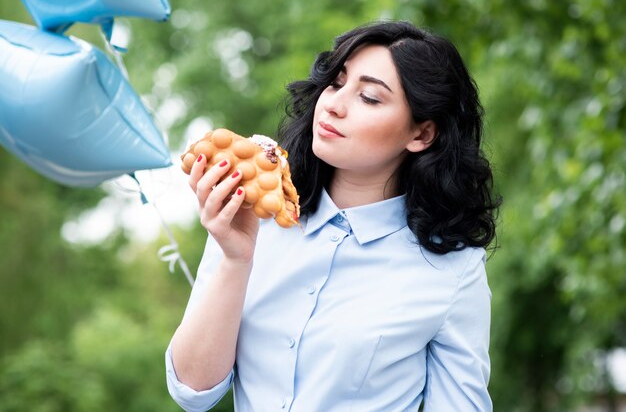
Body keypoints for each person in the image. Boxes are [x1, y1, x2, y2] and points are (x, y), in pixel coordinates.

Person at [165, 20, 500, 412]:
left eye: (369, 98)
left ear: (422, 134)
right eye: (337, 83)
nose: (334, 105)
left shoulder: (453, 268)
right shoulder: (253, 215)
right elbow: (193, 392)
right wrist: (235, 260)